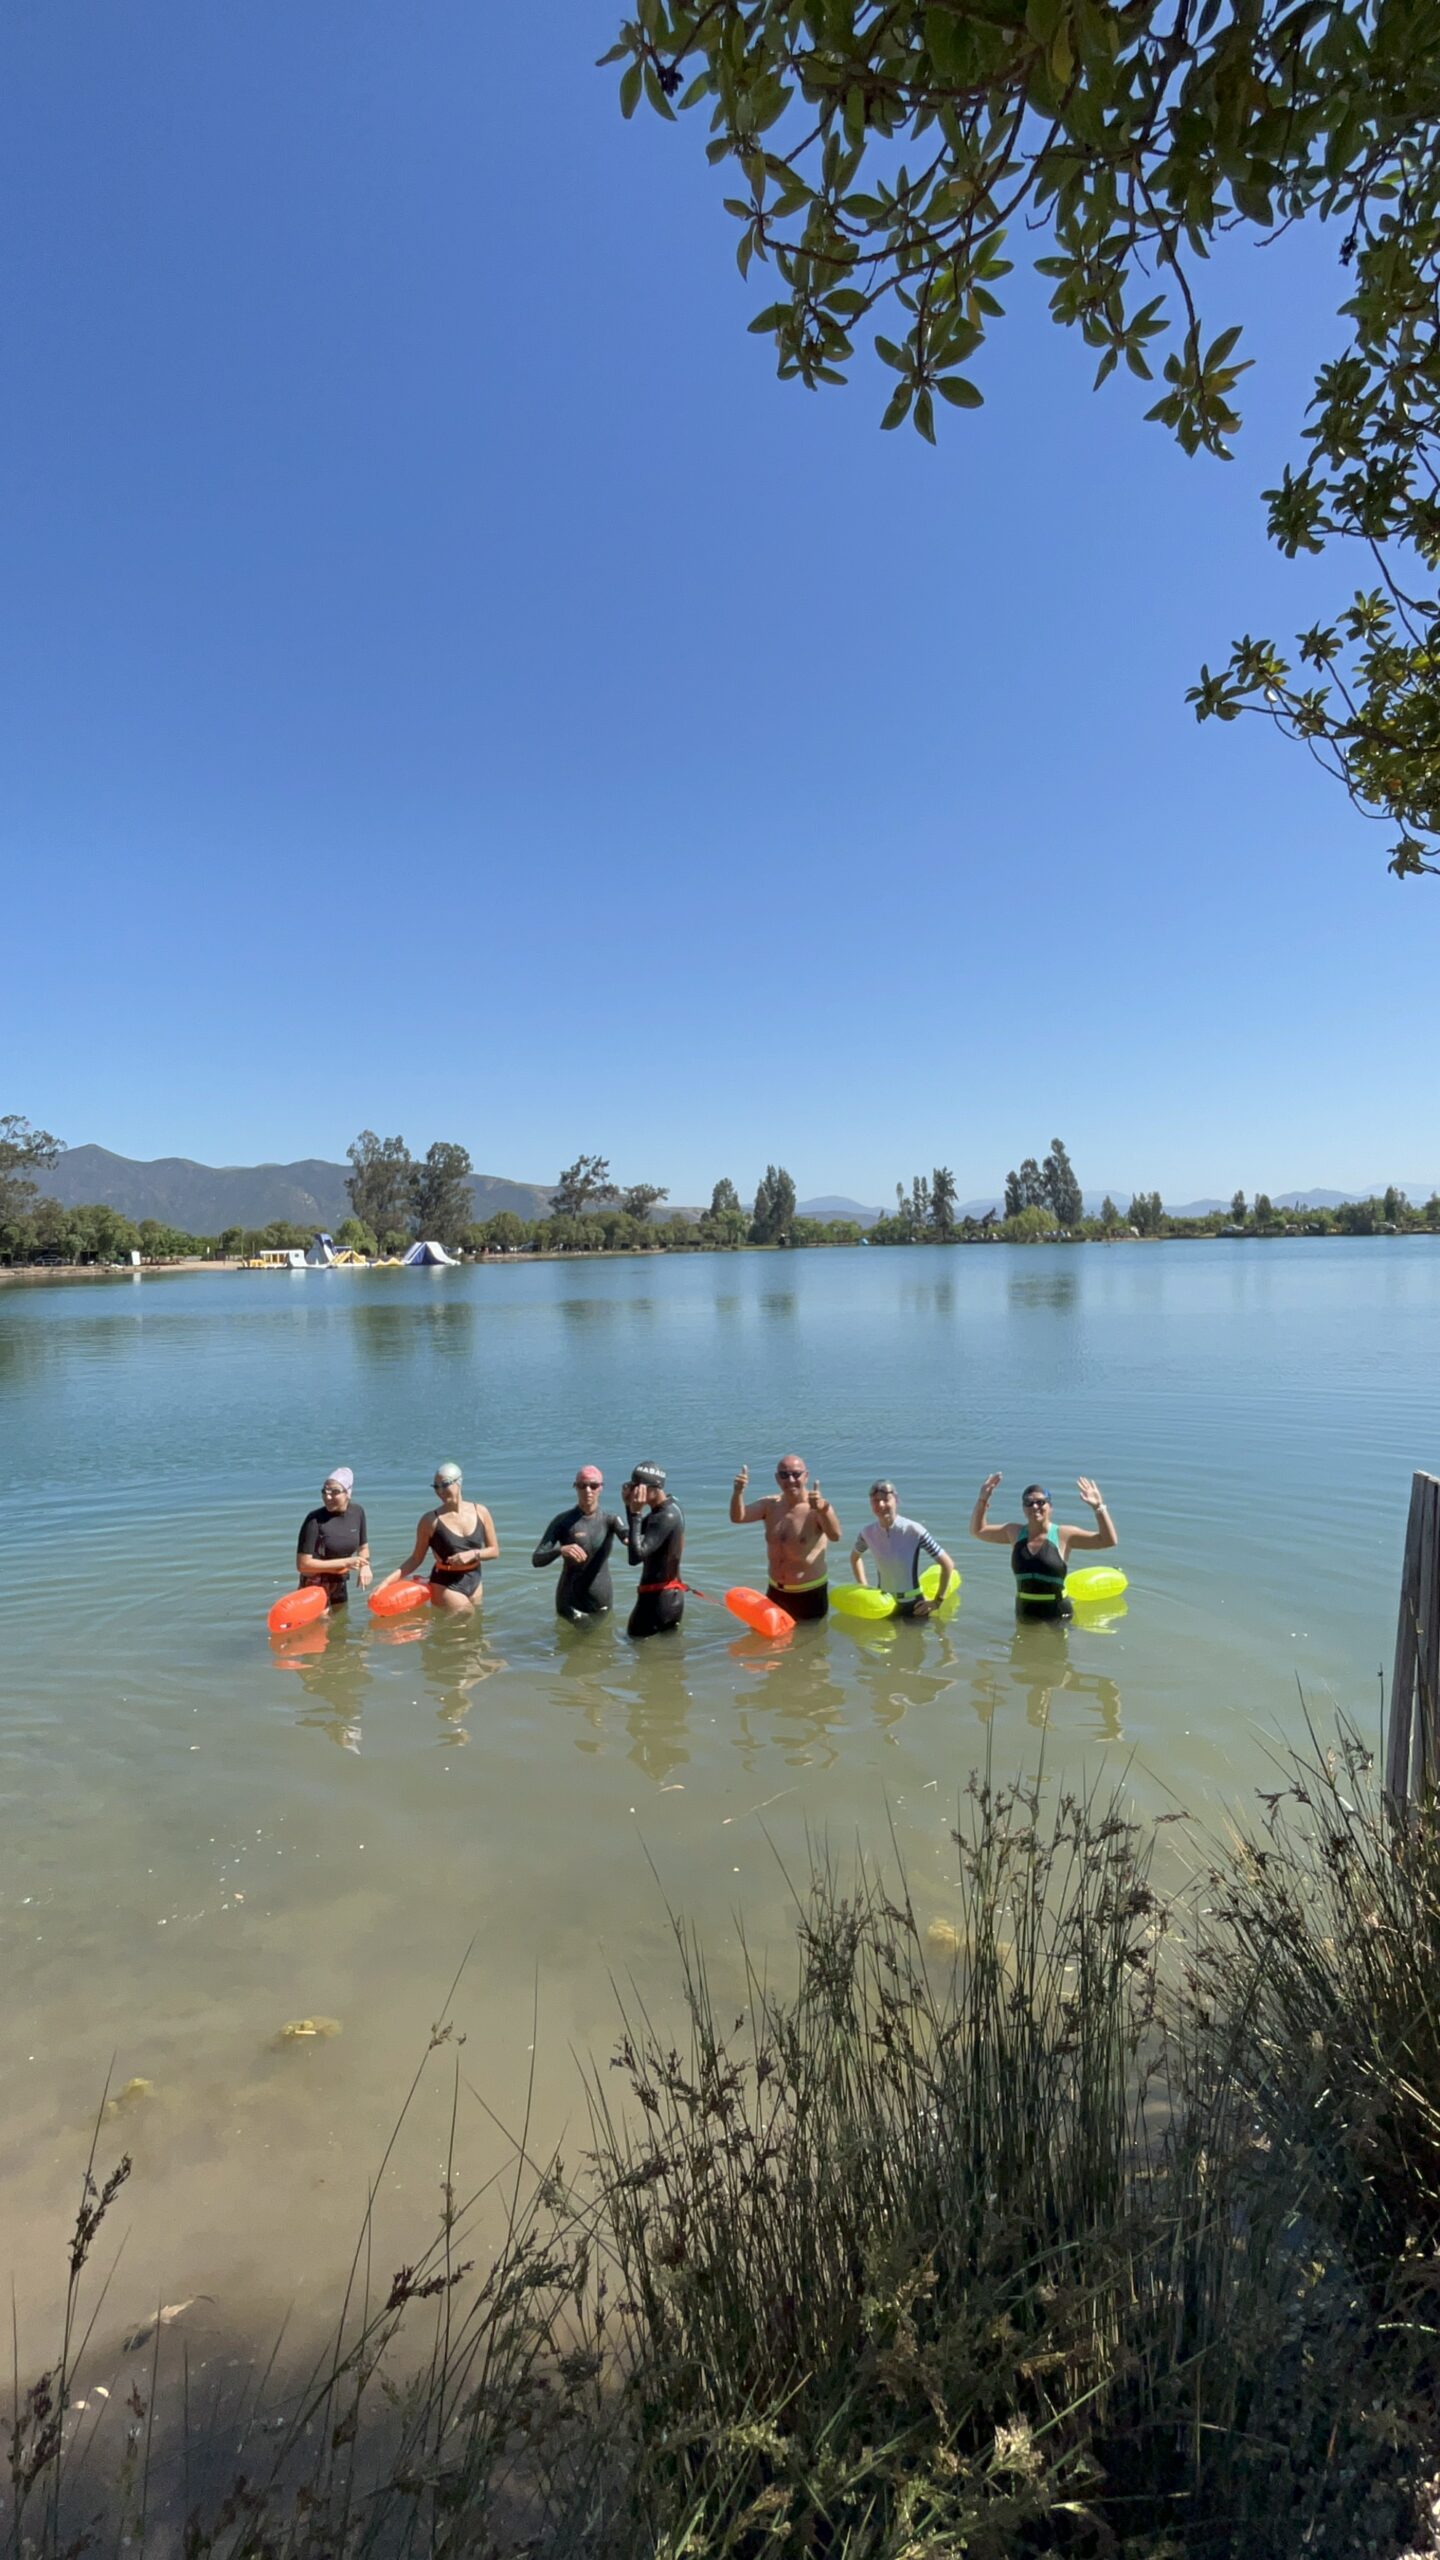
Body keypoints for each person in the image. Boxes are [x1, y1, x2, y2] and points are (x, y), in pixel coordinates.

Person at [968, 1474, 1116, 1620]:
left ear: (1050, 1507)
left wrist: (1098, 1507)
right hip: (1024, 1610)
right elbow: (978, 1531)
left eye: (1040, 1502)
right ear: (1023, 1508)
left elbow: (1108, 1540)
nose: (1034, 1506)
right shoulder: (1014, 1532)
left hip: (1058, 1612)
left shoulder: (1064, 1534)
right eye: (1028, 1502)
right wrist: (983, 1499)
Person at [376, 1462, 499, 1617]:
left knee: (476, 1631)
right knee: (466, 1621)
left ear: (459, 1482)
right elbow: (415, 1559)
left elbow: (494, 1551)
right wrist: (386, 1583)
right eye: (436, 1486)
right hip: (446, 1584)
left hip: (475, 1578)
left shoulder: (481, 1511)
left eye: (445, 1484)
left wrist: (472, 1554)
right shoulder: (429, 1521)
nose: (440, 1491)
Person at [729, 1456, 841, 1621]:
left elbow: (835, 1536)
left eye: (796, 1474)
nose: (790, 1480)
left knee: (811, 1644)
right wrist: (738, 1492)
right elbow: (738, 1517)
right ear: (777, 1478)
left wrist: (823, 1510)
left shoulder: (817, 1507)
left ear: (806, 1476)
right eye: (784, 1475)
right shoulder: (770, 1505)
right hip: (776, 1591)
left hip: (809, 1593)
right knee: (772, 1643)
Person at [532, 1466, 628, 1621]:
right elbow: (537, 1559)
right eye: (582, 1486)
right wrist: (560, 1550)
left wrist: (632, 1508)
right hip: (569, 1602)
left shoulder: (611, 1520)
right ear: (575, 1487)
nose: (588, 1490)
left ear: (601, 1488)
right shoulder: (562, 1521)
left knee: (602, 1643)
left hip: (601, 1602)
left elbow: (631, 1542)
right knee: (567, 1643)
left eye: (594, 1485)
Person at [851, 1480, 956, 1619]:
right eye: (875, 1501)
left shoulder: (914, 1530)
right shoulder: (867, 1533)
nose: (881, 1505)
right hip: (884, 1605)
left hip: (914, 1606)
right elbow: (854, 1558)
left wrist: (937, 1601)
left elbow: (947, 1564)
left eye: (886, 1500)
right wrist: (864, 1588)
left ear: (896, 1500)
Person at [623, 1463, 686, 1639]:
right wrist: (629, 1507)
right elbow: (639, 1531)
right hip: (669, 1597)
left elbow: (635, 1557)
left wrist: (635, 1513)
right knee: (667, 1659)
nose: (634, 1491)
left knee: (634, 1641)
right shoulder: (669, 1508)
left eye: (637, 1487)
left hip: (658, 1600)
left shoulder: (664, 1516)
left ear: (654, 1488)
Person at [295, 1467, 371, 1610]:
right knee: (321, 1625)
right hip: (314, 1584)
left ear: (348, 1493)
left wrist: (365, 1566)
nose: (327, 1497)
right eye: (325, 1491)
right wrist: (346, 1562)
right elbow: (303, 1565)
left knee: (340, 1623)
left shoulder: (357, 1512)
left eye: (335, 1492)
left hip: (340, 1582)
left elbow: (363, 1547)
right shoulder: (314, 1520)